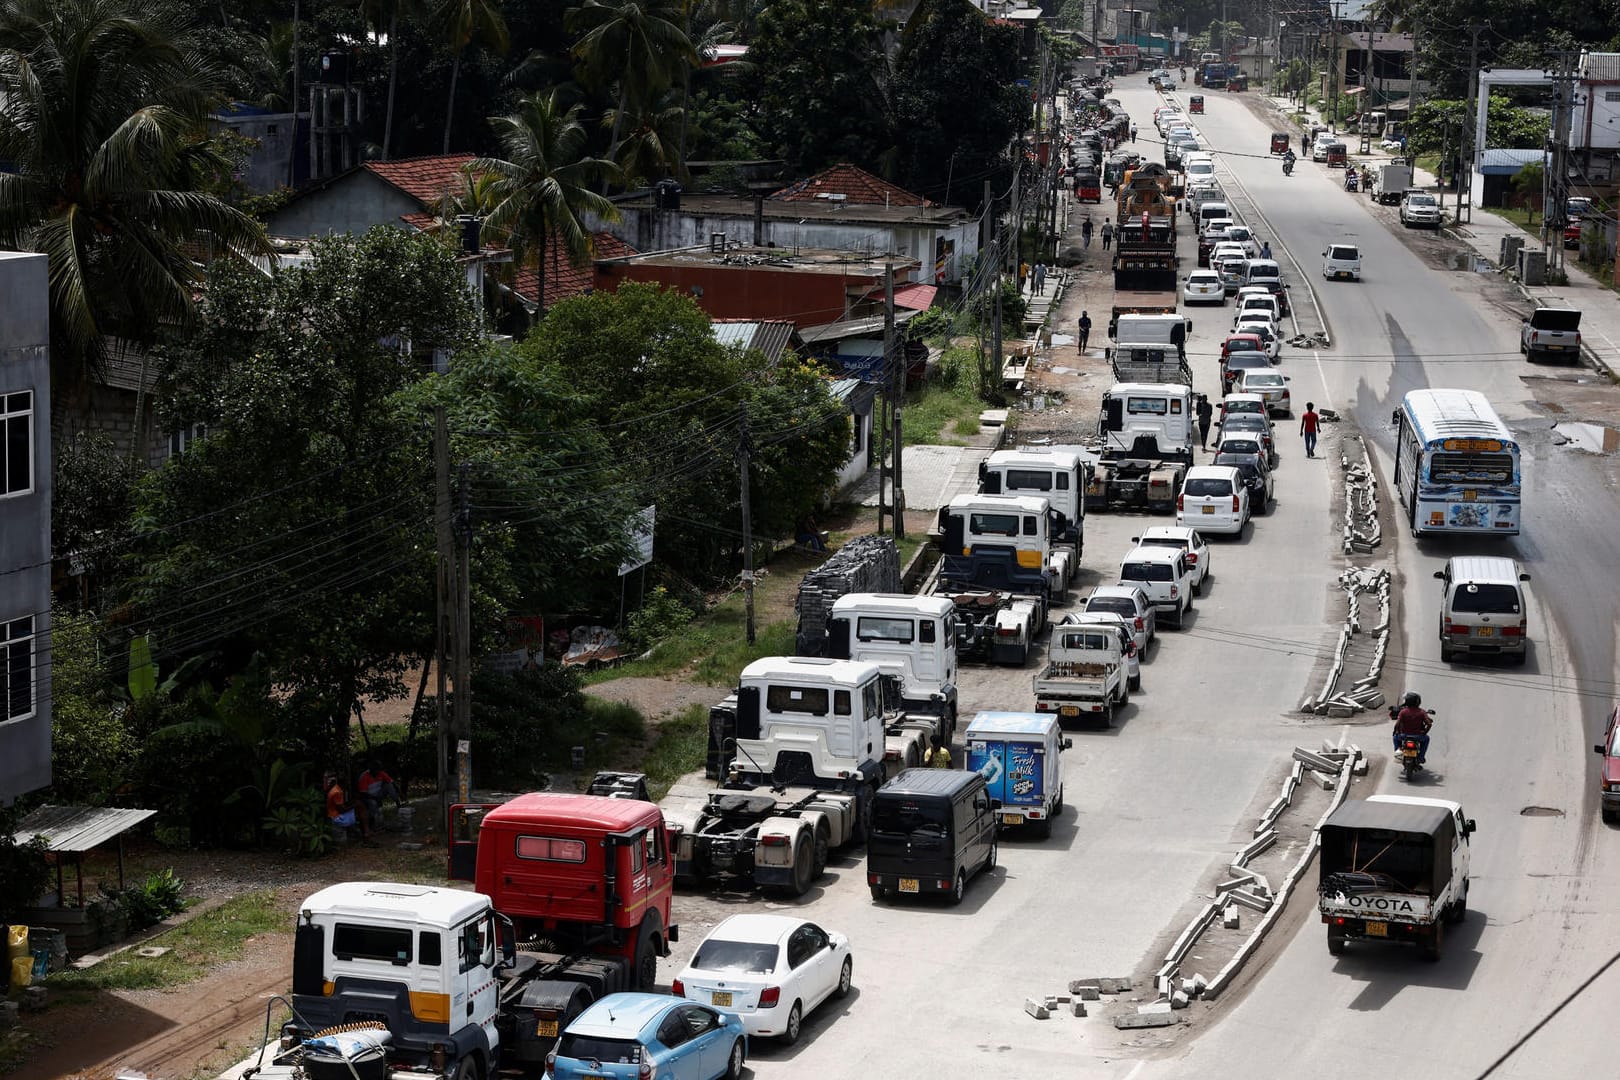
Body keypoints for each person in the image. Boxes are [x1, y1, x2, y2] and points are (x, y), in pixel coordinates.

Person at [325, 772, 371, 841]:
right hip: (337, 818)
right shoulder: (337, 792)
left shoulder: (336, 788)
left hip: (335, 814)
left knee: (360, 806)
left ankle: (365, 831)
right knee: (360, 808)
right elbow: (342, 810)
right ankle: (366, 832)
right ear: (344, 783)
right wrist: (354, 805)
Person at [1391, 692, 1433, 765]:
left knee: (1395, 738)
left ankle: (1398, 756)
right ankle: (1421, 757)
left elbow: (1397, 723)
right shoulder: (1422, 712)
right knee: (1427, 739)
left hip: (1404, 736)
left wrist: (1396, 731)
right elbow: (1429, 724)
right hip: (1418, 736)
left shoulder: (1403, 712)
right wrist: (1424, 733)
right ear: (1418, 702)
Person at [357, 759, 401, 829]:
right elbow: (363, 794)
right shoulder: (364, 776)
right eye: (376, 770)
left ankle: (399, 807)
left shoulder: (381, 773)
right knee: (373, 804)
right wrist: (375, 798)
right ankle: (372, 822)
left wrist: (398, 791)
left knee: (389, 785)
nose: (378, 772)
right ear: (371, 770)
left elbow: (391, 782)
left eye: (379, 769)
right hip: (368, 797)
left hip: (378, 794)